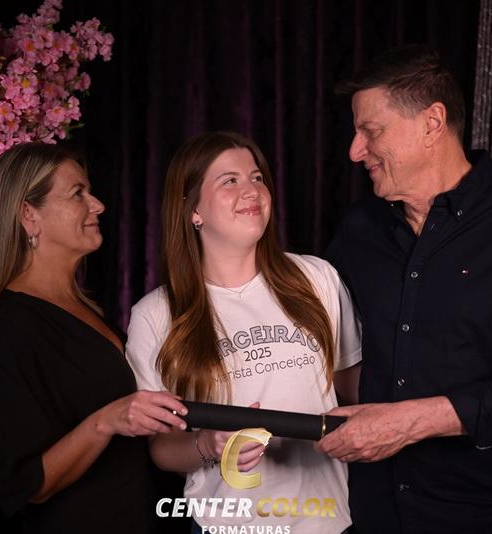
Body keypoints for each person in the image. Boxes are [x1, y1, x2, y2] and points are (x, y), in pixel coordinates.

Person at [318, 44, 492, 534]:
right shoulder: (359, 229)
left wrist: (408, 423)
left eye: (370, 131)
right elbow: (323, 346)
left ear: (432, 123)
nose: (355, 151)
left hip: (486, 517)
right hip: (369, 515)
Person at [125, 131, 362, 533]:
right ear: (193, 210)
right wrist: (209, 445)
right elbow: (160, 448)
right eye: (230, 181)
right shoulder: (155, 314)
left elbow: (355, 389)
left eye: (257, 177)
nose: (252, 190)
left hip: (325, 520)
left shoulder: (316, 277)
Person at [0, 142, 188, 533]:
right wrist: (106, 421)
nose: (98, 205)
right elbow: (27, 484)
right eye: (77, 194)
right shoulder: (12, 331)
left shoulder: (85, 309)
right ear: (29, 215)